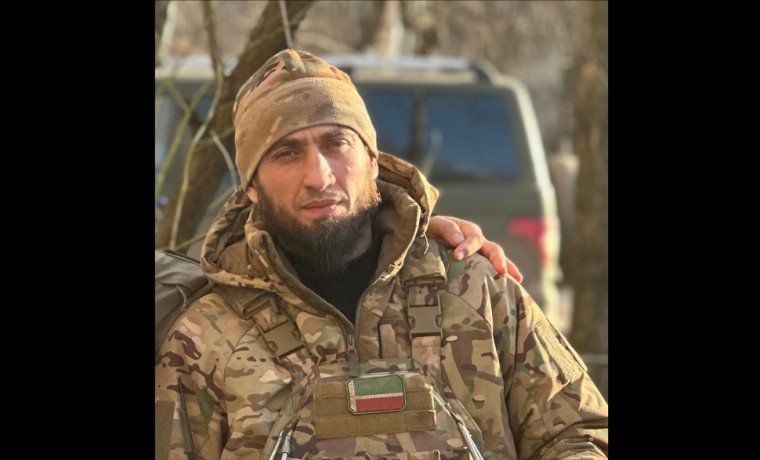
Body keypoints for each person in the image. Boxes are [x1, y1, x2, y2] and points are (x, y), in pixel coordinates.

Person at [155, 49, 608, 459]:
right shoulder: (206, 336)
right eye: (287, 153)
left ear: (373, 160)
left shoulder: (475, 289)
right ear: (252, 187)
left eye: (336, 143)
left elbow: (579, 434)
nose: (319, 176)